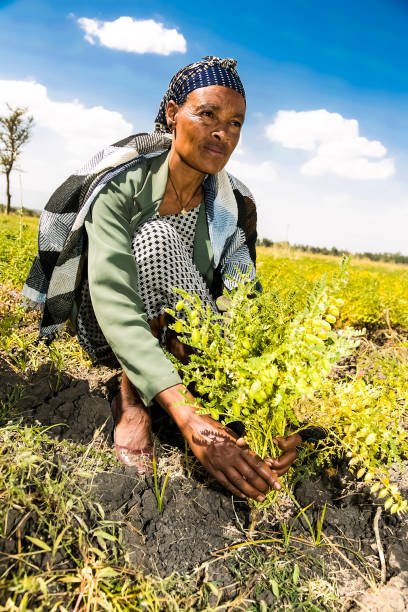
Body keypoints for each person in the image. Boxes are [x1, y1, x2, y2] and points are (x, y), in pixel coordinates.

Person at [24, 56, 301, 502]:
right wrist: (192, 421)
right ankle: (133, 400)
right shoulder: (122, 182)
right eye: (207, 114)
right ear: (173, 114)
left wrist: (270, 409)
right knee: (156, 237)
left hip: (185, 335)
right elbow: (112, 297)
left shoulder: (234, 204)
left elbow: (242, 306)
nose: (222, 133)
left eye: (235, 123)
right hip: (110, 327)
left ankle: (192, 393)